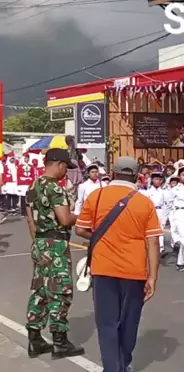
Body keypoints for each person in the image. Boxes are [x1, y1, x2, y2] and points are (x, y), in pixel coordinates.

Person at [75, 157, 162, 372]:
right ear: (137, 176)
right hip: (134, 271)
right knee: (129, 321)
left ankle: (113, 367)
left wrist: (102, 238)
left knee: (107, 323)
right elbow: (153, 241)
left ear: (113, 173)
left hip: (103, 269)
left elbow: (80, 229)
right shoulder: (144, 202)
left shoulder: (96, 196)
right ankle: (124, 362)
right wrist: (152, 277)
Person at [24, 148, 84, 359]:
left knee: (40, 289)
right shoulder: (55, 188)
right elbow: (65, 219)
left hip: (40, 241)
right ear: (59, 164)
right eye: (66, 167)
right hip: (56, 243)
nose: (66, 171)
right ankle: (60, 341)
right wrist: (84, 217)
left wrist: (38, 243)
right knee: (60, 289)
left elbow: (30, 220)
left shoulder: (33, 187)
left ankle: (35, 339)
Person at [141, 171, 171, 257]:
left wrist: (166, 215)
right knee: (150, 231)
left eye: (160, 179)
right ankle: (149, 247)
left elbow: (167, 204)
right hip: (151, 211)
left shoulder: (164, 192)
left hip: (160, 211)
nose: (158, 181)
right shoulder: (147, 192)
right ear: (152, 180)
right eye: (156, 179)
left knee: (160, 230)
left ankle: (161, 248)